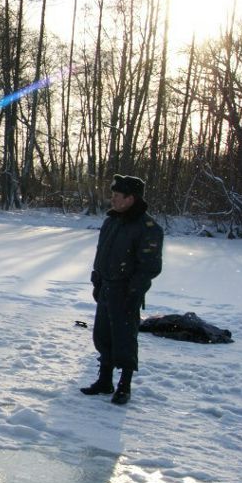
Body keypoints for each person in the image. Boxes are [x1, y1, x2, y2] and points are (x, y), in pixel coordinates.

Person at [81, 174, 164, 406]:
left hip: (126, 291)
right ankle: (104, 381)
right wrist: (97, 278)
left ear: (131, 198)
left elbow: (150, 266)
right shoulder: (112, 221)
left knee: (125, 339)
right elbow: (102, 253)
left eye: (117, 196)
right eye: (113, 195)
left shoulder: (148, 228)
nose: (113, 199)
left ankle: (124, 386)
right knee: (103, 336)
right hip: (106, 287)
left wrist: (134, 290)